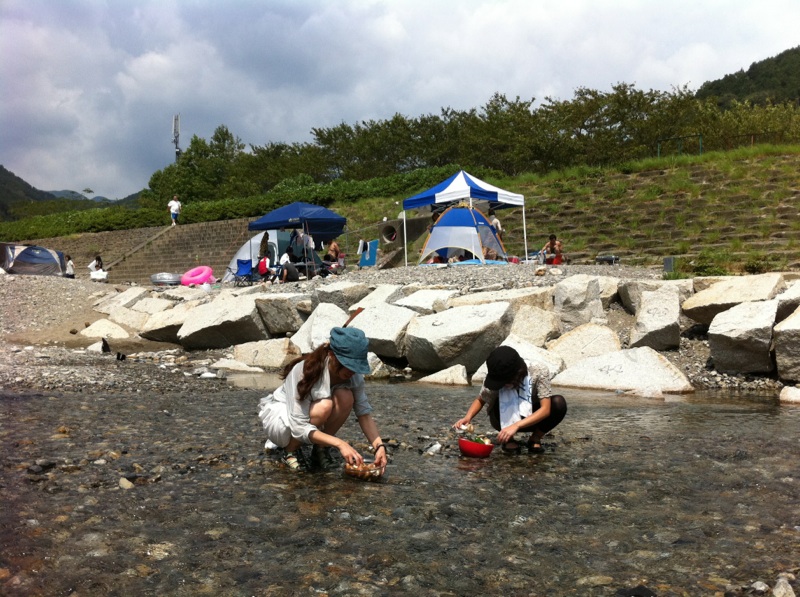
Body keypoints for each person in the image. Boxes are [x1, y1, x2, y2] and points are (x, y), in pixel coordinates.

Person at [257, 327, 388, 472]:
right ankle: (289, 451)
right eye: (347, 365)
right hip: (282, 419)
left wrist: (379, 447)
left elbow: (363, 414)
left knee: (346, 397)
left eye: (355, 367)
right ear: (331, 355)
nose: (351, 371)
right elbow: (298, 426)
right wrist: (340, 444)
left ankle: (320, 449)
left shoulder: (353, 375)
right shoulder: (303, 371)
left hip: (308, 419)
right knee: (324, 406)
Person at [453, 346, 567, 454]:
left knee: (558, 403)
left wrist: (516, 425)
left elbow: (546, 409)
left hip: (533, 419)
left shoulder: (539, 371)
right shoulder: (496, 372)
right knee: (497, 398)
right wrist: (467, 417)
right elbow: (481, 399)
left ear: (517, 374)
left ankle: (535, 438)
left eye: (504, 381)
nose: (502, 384)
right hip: (501, 419)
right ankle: (509, 439)